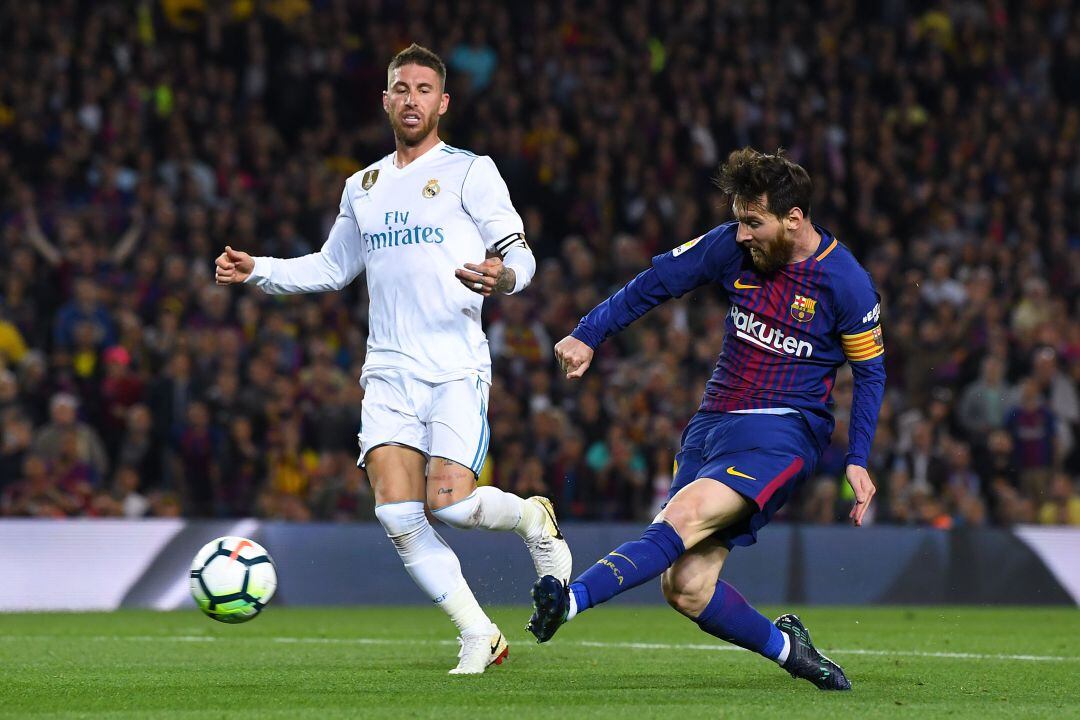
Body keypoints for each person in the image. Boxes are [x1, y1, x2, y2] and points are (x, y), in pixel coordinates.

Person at [214, 44, 571, 674]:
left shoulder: (471, 171)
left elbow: (521, 252)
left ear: (443, 102)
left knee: (453, 506)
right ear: (386, 100)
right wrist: (257, 270)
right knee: (396, 511)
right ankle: (478, 634)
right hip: (388, 371)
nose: (412, 99)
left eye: (424, 89)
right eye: (401, 88)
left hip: (456, 365)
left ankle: (531, 518)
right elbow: (331, 267)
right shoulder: (364, 185)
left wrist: (505, 276)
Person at [527, 148, 886, 691]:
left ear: (794, 219)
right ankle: (795, 653)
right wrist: (588, 333)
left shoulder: (847, 284)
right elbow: (653, 283)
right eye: (739, 219)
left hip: (782, 431)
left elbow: (871, 374)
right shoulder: (730, 246)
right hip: (712, 425)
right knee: (687, 587)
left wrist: (858, 458)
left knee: (686, 514)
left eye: (753, 222)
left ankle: (570, 601)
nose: (742, 234)